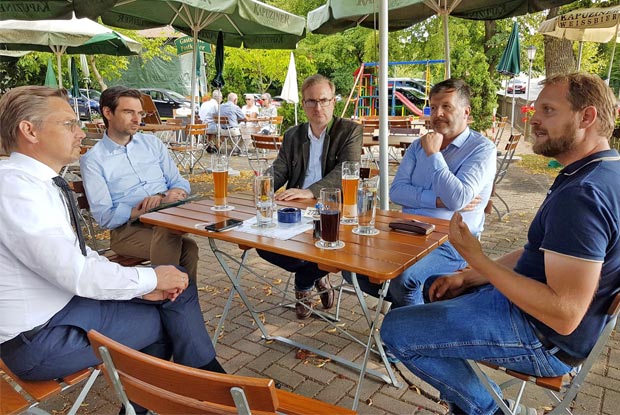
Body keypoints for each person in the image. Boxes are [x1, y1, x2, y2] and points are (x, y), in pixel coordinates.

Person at [381, 72, 620, 415]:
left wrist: (479, 260)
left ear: (587, 117)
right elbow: (541, 252)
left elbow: (564, 315)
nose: (533, 119)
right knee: (436, 286)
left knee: (397, 329)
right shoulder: (601, 171)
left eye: (548, 110)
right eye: (536, 109)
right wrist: (470, 275)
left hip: (543, 338)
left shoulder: (583, 194)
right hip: (536, 316)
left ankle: (492, 408)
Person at [0, 86, 224, 396]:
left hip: (63, 308)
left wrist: (147, 283)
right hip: (39, 339)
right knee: (169, 315)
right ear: (29, 131)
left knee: (177, 289)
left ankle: (189, 390)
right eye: (68, 124)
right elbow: (76, 272)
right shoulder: (16, 189)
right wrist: (151, 279)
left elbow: (77, 256)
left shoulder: (32, 182)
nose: (80, 133)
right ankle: (211, 387)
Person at [343, 78, 496, 308]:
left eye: (446, 106)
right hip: (407, 231)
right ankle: (416, 307)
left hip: (454, 241)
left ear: (466, 111)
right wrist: (439, 200)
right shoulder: (417, 146)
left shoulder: (482, 149)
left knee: (404, 279)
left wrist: (434, 155)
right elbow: (397, 192)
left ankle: (410, 321)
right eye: (433, 107)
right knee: (351, 267)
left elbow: (457, 198)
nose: (438, 114)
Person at [256, 74, 363, 319]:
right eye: (311, 101)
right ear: (303, 104)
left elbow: (346, 170)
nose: (318, 107)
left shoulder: (350, 130)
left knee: (332, 249)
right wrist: (262, 187)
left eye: (324, 100)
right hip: (296, 209)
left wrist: (309, 191)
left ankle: (304, 283)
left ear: (333, 102)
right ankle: (316, 274)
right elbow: (280, 169)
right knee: (263, 245)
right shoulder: (293, 134)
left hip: (334, 208)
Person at [80, 86, 199, 280]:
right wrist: (144, 208)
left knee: (188, 247)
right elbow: (104, 217)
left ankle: (172, 297)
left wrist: (166, 195)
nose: (137, 119)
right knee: (176, 240)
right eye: (129, 112)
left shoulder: (152, 144)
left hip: (166, 217)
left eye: (140, 113)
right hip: (127, 231)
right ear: (108, 113)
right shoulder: (94, 160)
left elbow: (178, 182)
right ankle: (166, 294)